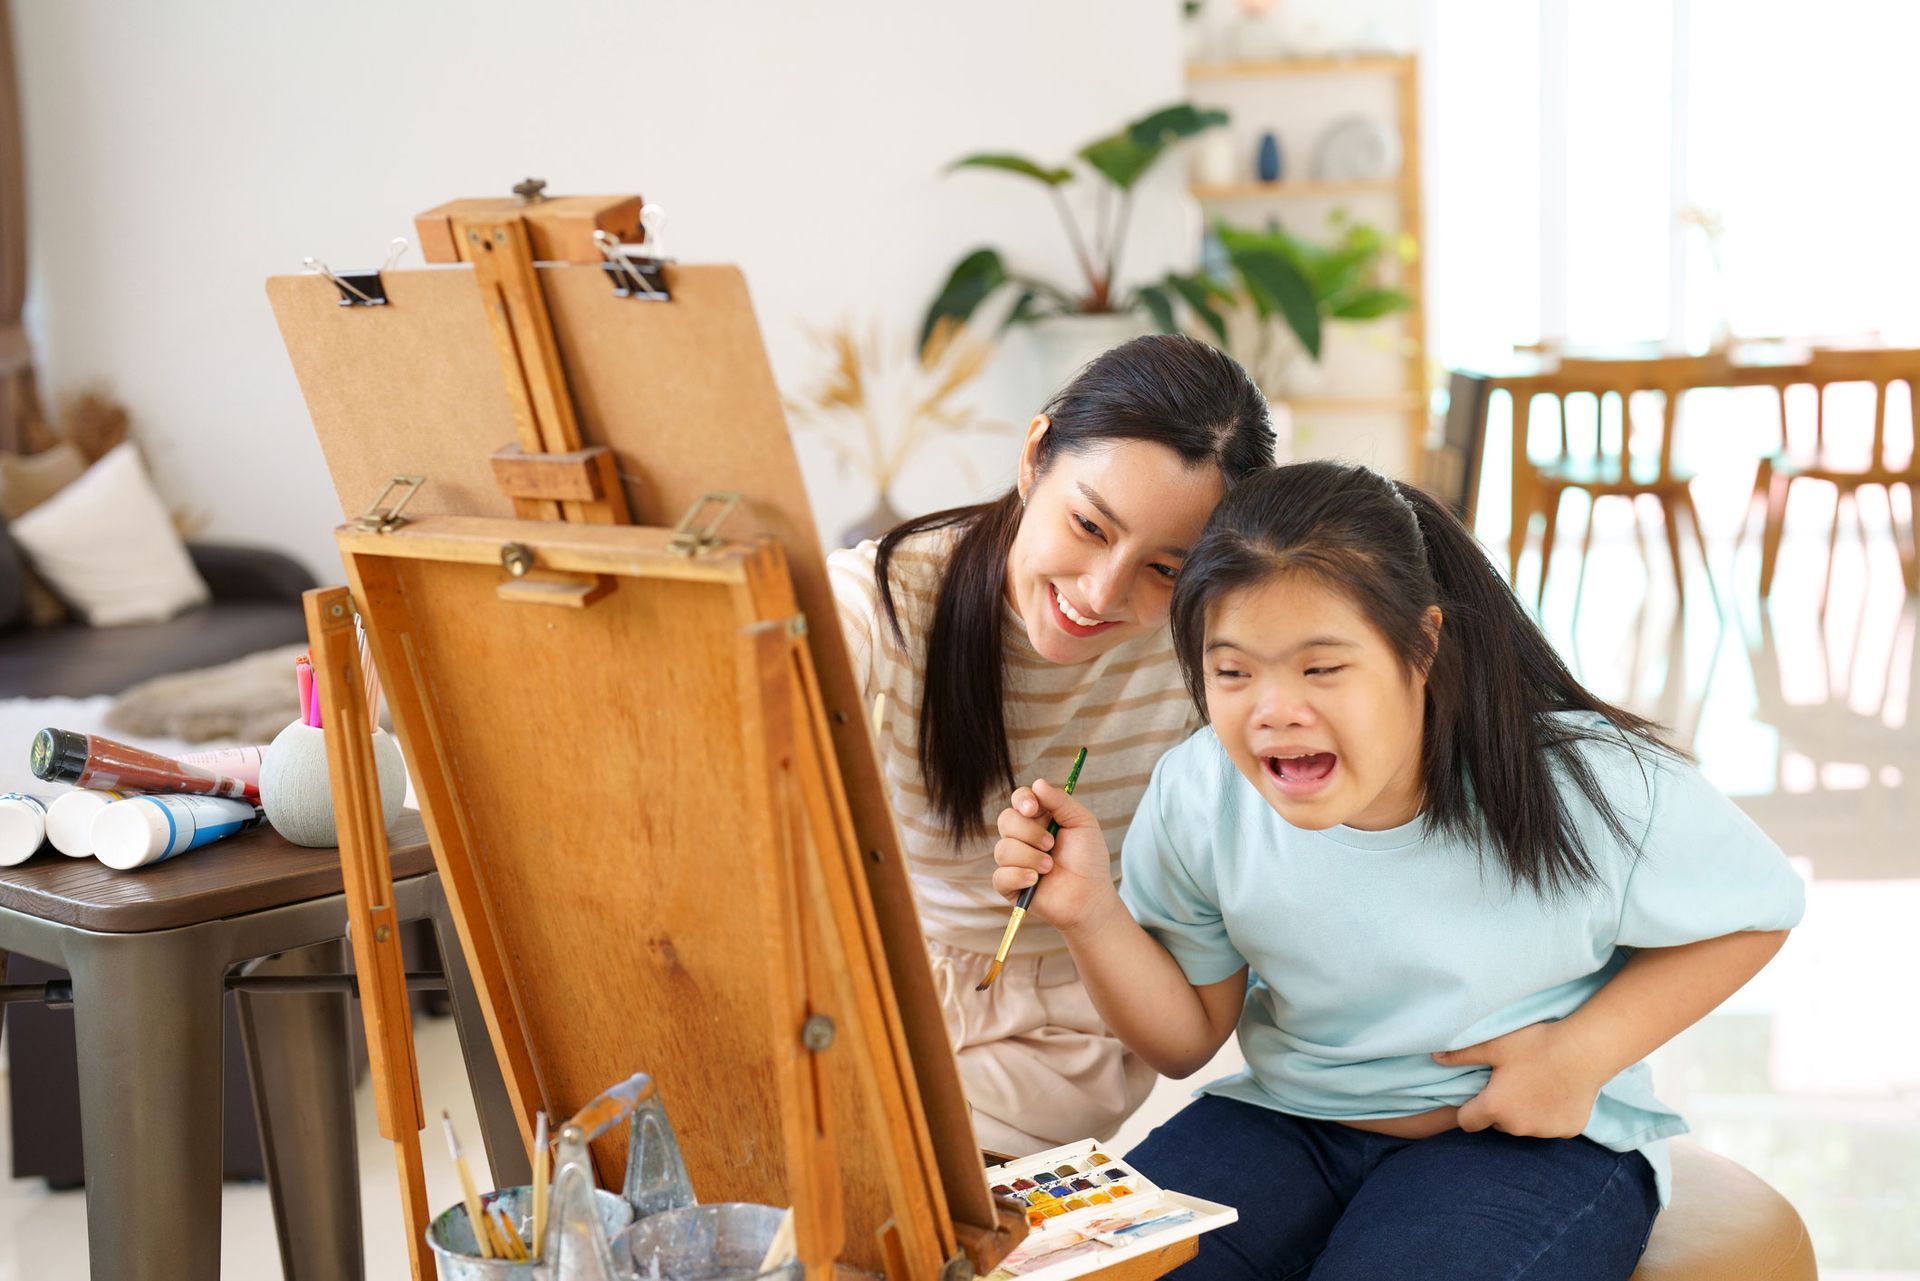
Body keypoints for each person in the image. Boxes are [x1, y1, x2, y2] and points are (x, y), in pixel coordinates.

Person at [993, 460, 1805, 1279]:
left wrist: (1578, 1055)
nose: (1274, 710)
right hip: (1286, 1123)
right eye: (1233, 671)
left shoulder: (1582, 778)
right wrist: (1091, 910)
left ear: (1422, 644)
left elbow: (1759, 908)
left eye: (1321, 667)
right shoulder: (1201, 787)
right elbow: (1187, 1037)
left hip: (1517, 1145)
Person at [827, 334, 1276, 1154]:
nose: (1101, 593)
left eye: (1165, 569)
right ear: (1035, 456)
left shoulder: (1209, 655)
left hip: (1070, 1044)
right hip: (886, 1002)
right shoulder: (883, 603)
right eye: (1089, 525)